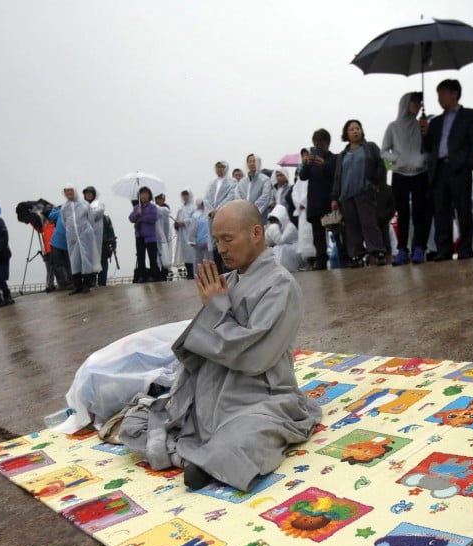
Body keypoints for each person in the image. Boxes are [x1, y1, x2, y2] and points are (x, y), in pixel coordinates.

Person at [117, 200, 322, 491]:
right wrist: (215, 306)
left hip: (260, 394)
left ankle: (203, 458)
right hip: (214, 390)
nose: (221, 248)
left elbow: (253, 356)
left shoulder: (281, 285)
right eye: (216, 240)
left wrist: (215, 306)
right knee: (140, 421)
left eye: (228, 239)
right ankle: (198, 454)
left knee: (239, 441)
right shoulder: (227, 280)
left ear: (255, 233)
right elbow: (204, 343)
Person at [424, 79, 473, 260]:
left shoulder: (471, 115)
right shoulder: (435, 122)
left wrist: (468, 164)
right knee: (441, 211)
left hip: (459, 169)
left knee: (463, 210)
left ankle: (465, 249)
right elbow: (428, 147)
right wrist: (424, 130)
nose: (439, 98)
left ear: (454, 94)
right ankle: (444, 249)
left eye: (442, 93)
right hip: (439, 170)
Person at [381, 91, 431, 265]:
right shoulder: (393, 127)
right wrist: (397, 159)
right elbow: (384, 151)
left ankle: (419, 248)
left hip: (420, 173)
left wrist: (425, 132)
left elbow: (429, 147)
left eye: (419, 103)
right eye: (414, 102)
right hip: (400, 174)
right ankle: (402, 249)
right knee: (402, 213)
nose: (417, 106)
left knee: (420, 212)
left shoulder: (422, 125)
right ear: (406, 104)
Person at [331, 119, 388, 267]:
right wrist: (334, 198)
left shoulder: (370, 147)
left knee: (369, 223)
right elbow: (338, 177)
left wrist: (375, 182)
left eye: (358, 128)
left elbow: (381, 165)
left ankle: (376, 251)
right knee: (351, 227)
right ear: (346, 134)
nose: (355, 131)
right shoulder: (342, 154)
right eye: (351, 129)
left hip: (365, 192)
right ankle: (356, 255)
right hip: (346, 196)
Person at [298, 129, 338, 270]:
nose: (317, 146)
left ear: (327, 143)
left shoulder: (334, 159)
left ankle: (343, 257)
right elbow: (302, 176)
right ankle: (321, 260)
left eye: (320, 143)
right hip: (315, 203)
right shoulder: (311, 160)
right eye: (315, 143)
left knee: (337, 233)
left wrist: (325, 165)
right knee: (318, 236)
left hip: (330, 202)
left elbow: (337, 177)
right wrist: (306, 163)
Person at [60, 184, 96, 294]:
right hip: (73, 238)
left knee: (86, 259)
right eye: (66, 192)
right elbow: (64, 222)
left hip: (85, 235)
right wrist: (71, 233)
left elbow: (91, 219)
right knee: (74, 260)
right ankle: (77, 285)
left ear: (75, 191)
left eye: (71, 191)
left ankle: (86, 284)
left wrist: (87, 231)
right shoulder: (64, 207)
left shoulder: (84, 204)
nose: (69, 193)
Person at [129, 187, 161, 283]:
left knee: (152, 258)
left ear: (149, 196)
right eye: (142, 194)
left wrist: (140, 217)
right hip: (139, 236)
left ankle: (154, 276)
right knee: (141, 258)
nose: (144, 196)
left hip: (150, 237)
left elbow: (153, 217)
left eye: (146, 194)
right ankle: (142, 276)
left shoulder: (152, 207)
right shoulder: (137, 208)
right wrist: (137, 214)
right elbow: (131, 218)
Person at [235, 154, 273, 223]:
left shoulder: (265, 180)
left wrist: (252, 211)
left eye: (254, 161)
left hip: (259, 217)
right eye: (249, 161)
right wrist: (243, 210)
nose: (252, 163)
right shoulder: (242, 181)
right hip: (243, 216)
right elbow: (237, 196)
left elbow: (265, 197)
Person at [265, 204, 304, 272]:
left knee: (280, 249)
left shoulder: (290, 227)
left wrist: (273, 228)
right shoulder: (277, 228)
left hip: (297, 250)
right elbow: (266, 243)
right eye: (273, 221)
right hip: (290, 250)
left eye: (276, 220)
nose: (274, 223)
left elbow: (280, 241)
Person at [81, 186, 104, 289]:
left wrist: (85, 215)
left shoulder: (99, 204)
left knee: (94, 259)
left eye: (90, 193)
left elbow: (98, 213)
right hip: (84, 237)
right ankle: (86, 281)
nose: (88, 195)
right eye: (87, 193)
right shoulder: (81, 205)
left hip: (95, 237)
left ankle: (93, 280)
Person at [174, 188, 198, 280]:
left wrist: (184, 222)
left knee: (192, 255)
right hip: (182, 236)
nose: (185, 196)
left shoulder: (194, 207)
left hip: (191, 235)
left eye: (186, 194)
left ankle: (193, 274)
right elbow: (177, 219)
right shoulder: (181, 208)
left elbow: (195, 219)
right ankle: (189, 274)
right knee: (185, 256)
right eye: (183, 195)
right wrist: (176, 224)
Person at [47, 206, 72, 289]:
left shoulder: (76, 215)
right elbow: (51, 215)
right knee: (58, 265)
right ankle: (64, 284)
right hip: (56, 243)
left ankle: (70, 282)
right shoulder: (60, 212)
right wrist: (56, 209)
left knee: (68, 264)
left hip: (67, 244)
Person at [154, 193, 173, 278]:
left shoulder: (165, 209)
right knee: (156, 256)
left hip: (164, 237)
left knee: (165, 256)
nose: (159, 201)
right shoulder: (154, 208)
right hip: (155, 236)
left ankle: (164, 273)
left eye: (161, 199)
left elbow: (162, 211)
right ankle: (158, 274)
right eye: (157, 199)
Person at [99, 213, 117, 286]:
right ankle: (94, 283)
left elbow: (111, 232)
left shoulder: (106, 219)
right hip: (93, 245)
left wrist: (113, 244)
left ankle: (102, 283)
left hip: (104, 244)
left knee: (103, 264)